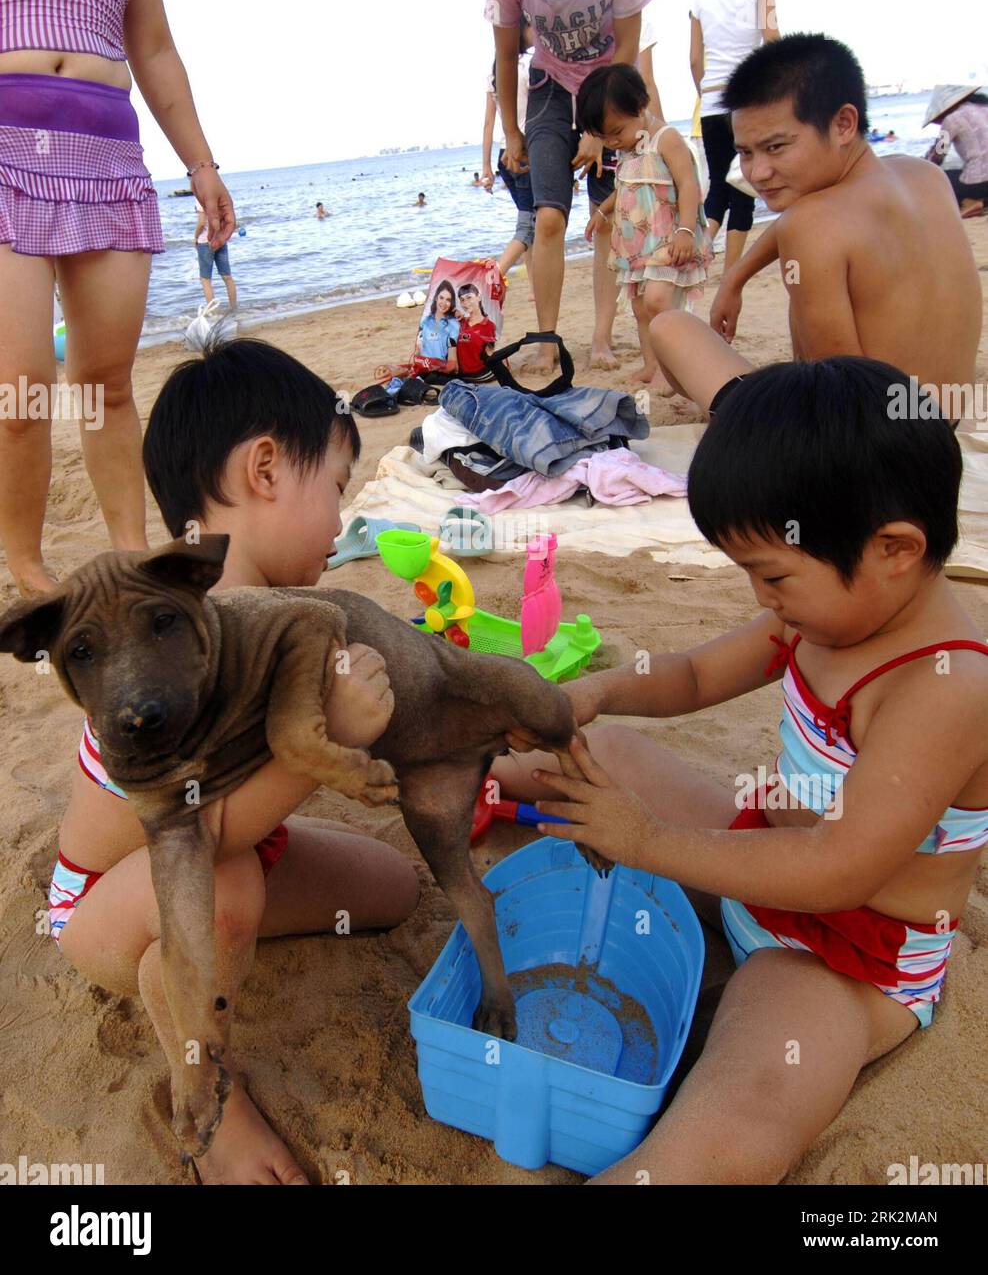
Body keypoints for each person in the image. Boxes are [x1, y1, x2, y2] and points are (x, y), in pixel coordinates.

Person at [494, 357, 988, 1184]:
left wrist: (645, 840)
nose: (762, 598)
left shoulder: (945, 688)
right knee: (609, 753)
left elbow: (840, 868)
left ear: (895, 549)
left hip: (844, 949)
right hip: (757, 853)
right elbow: (693, 677)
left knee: (745, 1109)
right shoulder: (824, 615)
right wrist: (598, 692)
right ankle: (467, 771)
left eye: (773, 575)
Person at [44, 338, 420, 1185]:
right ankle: (205, 1096)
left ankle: (213, 952)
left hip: (239, 846)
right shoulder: (175, 640)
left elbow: (370, 725)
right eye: (337, 489)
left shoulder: (283, 613)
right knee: (227, 889)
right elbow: (201, 830)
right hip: (114, 904)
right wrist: (330, 744)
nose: (341, 524)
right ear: (266, 469)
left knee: (392, 889)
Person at [0, 0, 235, 597]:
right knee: (21, 388)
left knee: (105, 382)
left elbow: (153, 46)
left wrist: (201, 165)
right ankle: (29, 571)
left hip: (105, 153)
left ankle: (132, 556)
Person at [651, 35, 982, 414]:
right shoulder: (925, 175)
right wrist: (735, 277)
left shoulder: (810, 225)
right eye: (745, 152)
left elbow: (837, 403)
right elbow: (806, 224)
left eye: (776, 147)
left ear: (843, 124)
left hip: (874, 439)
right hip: (942, 419)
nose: (758, 172)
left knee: (670, 328)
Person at [486, 0, 656, 373]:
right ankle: (547, 342)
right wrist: (511, 132)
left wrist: (600, 130)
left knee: (606, 218)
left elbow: (628, 48)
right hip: (550, 87)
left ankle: (601, 337)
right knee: (548, 218)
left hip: (610, 82)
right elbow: (505, 57)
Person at [578, 65, 712, 386]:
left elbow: (688, 184)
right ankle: (653, 365)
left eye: (617, 131)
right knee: (640, 308)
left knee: (658, 302)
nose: (613, 142)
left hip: (669, 240)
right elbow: (625, 186)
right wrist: (603, 212)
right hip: (638, 246)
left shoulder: (666, 139)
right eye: (604, 138)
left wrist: (686, 230)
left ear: (641, 105)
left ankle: (675, 369)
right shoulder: (628, 149)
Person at [690, 0, 780, 276]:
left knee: (717, 189)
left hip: (712, 101)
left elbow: (695, 59)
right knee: (744, 186)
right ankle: (731, 273)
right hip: (748, 98)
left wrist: (707, 95)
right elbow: (772, 39)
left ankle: (696, 256)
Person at [481, 21, 535, 282]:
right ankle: (491, 279)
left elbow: (488, 124)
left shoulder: (495, 73)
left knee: (530, 227)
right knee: (527, 228)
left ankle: (535, 289)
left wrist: (486, 168)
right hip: (523, 154)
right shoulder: (526, 67)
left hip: (503, 157)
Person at [923, 86, 988, 218]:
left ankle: (969, 203)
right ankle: (982, 201)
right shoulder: (985, 108)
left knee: (941, 177)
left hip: (980, 184)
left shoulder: (951, 119)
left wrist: (928, 156)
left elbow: (938, 156)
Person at [194, 201, 237, 312]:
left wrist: (195, 237)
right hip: (220, 238)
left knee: (205, 279)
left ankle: (214, 312)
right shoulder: (217, 195)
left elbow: (202, 223)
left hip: (205, 241)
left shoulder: (200, 199)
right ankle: (234, 308)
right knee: (227, 276)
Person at [454, 282, 498, 374]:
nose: (465, 303)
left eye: (469, 297)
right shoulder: (461, 322)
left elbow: (493, 353)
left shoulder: (488, 326)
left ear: (479, 297)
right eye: (462, 300)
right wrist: (455, 312)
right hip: (460, 373)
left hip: (479, 374)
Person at [415, 280, 460, 367]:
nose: (444, 303)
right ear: (436, 298)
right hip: (423, 367)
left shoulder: (453, 324)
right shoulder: (426, 321)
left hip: (440, 369)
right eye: (441, 298)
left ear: (451, 303)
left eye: (448, 300)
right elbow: (418, 350)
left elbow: (452, 360)